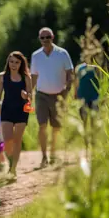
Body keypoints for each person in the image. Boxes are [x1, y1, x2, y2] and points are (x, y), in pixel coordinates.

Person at [31, 27, 74, 167]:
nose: (45, 40)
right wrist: (29, 93)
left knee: (56, 127)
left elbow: (70, 73)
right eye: (42, 38)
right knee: (42, 125)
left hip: (59, 95)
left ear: (52, 37)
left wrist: (67, 90)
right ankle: (44, 157)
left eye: (47, 37)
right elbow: (34, 76)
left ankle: (53, 153)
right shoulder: (36, 56)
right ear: (39, 39)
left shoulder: (62, 54)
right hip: (41, 95)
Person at [0, 51, 33, 177]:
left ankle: (13, 167)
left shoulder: (26, 77)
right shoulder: (2, 76)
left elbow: (30, 96)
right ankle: (10, 163)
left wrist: (26, 96)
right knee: (8, 140)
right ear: (8, 62)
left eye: (17, 62)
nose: (14, 64)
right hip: (7, 110)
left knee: (17, 140)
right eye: (11, 62)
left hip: (21, 111)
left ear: (21, 64)